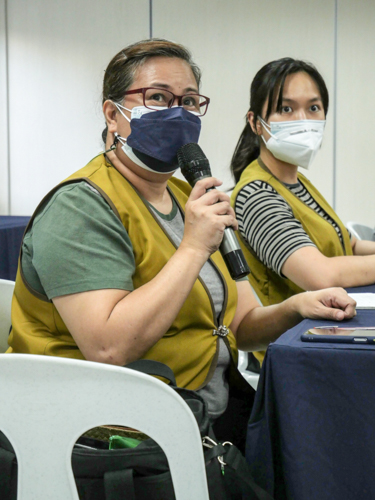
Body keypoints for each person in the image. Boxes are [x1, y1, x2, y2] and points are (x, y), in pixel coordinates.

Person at [8, 42, 355, 444]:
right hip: (112, 436)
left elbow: (240, 328)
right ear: (112, 114)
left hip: (203, 414)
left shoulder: (182, 196)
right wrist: (192, 248)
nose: (178, 112)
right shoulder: (81, 206)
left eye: (189, 101)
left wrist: (296, 307)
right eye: (158, 97)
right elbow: (108, 347)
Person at [230, 57, 375, 366]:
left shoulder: (296, 180)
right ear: (256, 122)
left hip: (330, 331)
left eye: (313, 108)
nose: (303, 119)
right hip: (294, 354)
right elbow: (320, 276)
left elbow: (347, 243)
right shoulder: (257, 194)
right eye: (286, 109)